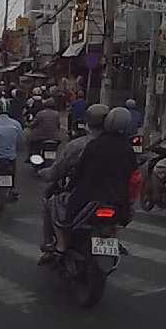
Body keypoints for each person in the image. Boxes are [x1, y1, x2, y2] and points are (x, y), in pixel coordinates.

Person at [43, 106, 137, 259]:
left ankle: (61, 245)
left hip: (88, 197)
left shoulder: (88, 145)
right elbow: (133, 175)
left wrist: (68, 187)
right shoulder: (127, 148)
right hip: (119, 200)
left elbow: (79, 172)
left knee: (54, 204)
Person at [38, 103, 110, 261]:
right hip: (115, 197)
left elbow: (58, 170)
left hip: (84, 196)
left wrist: (44, 173)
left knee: (51, 203)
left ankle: (57, 244)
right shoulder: (119, 144)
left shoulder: (78, 145)